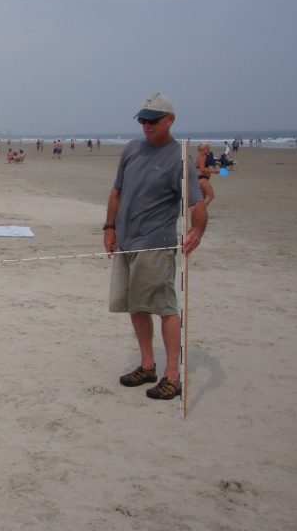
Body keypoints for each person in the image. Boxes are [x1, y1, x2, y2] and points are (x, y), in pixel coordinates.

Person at [104, 94, 206, 402]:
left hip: (156, 245)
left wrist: (197, 230)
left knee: (164, 307)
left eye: (153, 120)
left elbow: (197, 203)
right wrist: (109, 228)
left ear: (169, 120)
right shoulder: (132, 149)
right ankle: (147, 365)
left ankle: (172, 376)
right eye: (142, 120)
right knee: (135, 304)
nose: (146, 126)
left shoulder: (179, 158)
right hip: (126, 242)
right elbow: (117, 191)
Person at [195, 142, 217, 208]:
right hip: (203, 178)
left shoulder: (201, 157)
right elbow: (202, 169)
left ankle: (198, 211)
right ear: (204, 149)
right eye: (208, 149)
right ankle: (199, 210)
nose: (209, 150)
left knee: (202, 197)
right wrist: (214, 171)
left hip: (201, 178)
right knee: (211, 195)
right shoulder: (201, 157)